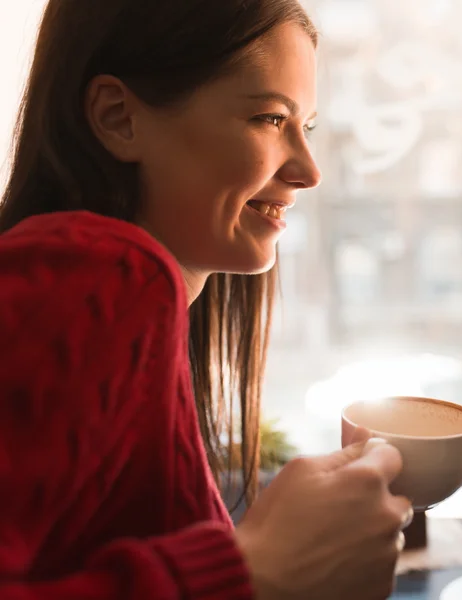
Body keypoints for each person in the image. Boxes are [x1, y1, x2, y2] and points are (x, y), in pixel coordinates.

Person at [0, 0, 412, 598]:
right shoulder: (102, 275)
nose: (308, 169)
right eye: (270, 119)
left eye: (308, 127)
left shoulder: (132, 306)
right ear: (118, 118)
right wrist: (260, 572)